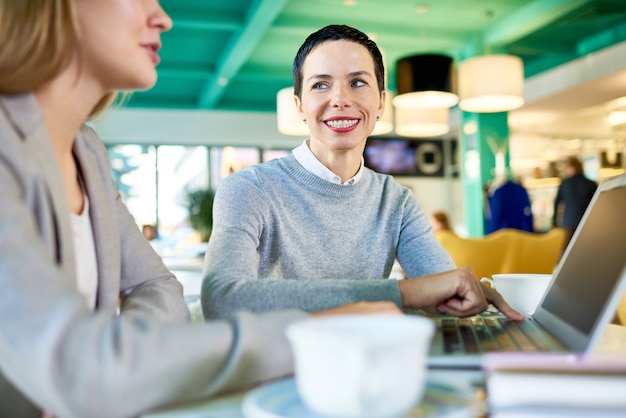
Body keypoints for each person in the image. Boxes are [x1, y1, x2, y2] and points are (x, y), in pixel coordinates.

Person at [0, 3, 399, 417]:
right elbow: (85, 370)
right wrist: (315, 334)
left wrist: (127, 359)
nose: (162, 18)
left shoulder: (87, 152)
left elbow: (154, 286)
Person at [201, 25, 522, 321]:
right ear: (299, 105)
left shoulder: (397, 201)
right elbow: (222, 298)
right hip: (277, 370)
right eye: (320, 84)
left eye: (358, 83)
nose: (340, 99)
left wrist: (468, 296)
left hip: (373, 367)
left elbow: (449, 294)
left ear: (381, 102)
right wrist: (402, 293)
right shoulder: (248, 188)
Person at [552, 156, 597, 251]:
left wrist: (554, 223)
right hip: (587, 224)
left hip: (568, 224)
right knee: (586, 251)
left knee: (567, 253)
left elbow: (556, 204)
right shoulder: (591, 184)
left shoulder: (564, 184)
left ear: (571, 169)